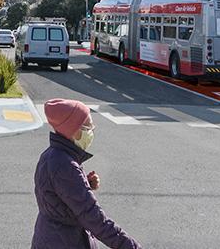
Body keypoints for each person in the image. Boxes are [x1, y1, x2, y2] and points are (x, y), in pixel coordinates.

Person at [33, 99, 142, 249]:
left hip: (51, 237)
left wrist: (84, 184)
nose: (92, 130)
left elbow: (57, 195)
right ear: (74, 130)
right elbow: (94, 219)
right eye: (88, 126)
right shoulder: (66, 165)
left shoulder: (51, 155)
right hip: (66, 241)